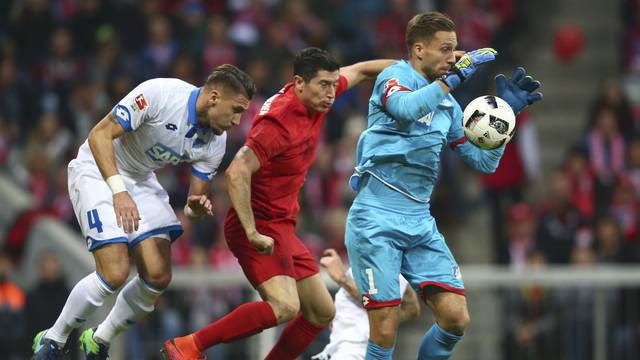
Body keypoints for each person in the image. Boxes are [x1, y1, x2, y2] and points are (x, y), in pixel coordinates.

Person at [162, 47, 395, 360]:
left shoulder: (318, 95)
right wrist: (252, 231)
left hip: (283, 225)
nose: (330, 93)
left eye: (332, 85)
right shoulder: (278, 123)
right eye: (323, 85)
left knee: (321, 312)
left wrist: (417, 71)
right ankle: (188, 346)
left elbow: (364, 69)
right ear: (299, 83)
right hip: (258, 225)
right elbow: (236, 171)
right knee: (285, 306)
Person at [344, 12, 543, 360]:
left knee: (455, 318)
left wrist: (505, 119)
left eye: (456, 49)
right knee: (385, 328)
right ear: (419, 49)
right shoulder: (395, 77)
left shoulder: (449, 105)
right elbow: (405, 109)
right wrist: (451, 82)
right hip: (375, 217)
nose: (454, 57)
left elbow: (481, 162)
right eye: (446, 49)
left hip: (419, 221)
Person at [32, 64, 256, 360]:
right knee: (114, 272)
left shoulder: (216, 142)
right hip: (98, 169)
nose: (238, 121)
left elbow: (194, 202)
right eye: (236, 110)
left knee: (158, 274)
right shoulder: (159, 94)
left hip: (139, 179)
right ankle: (53, 339)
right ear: (214, 97)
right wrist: (119, 191)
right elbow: (100, 135)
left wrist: (196, 209)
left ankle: (98, 339)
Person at [312, 249, 420, 360]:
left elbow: (380, 302)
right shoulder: (395, 262)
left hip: (354, 350)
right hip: (360, 349)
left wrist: (342, 278)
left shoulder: (380, 258)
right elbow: (411, 309)